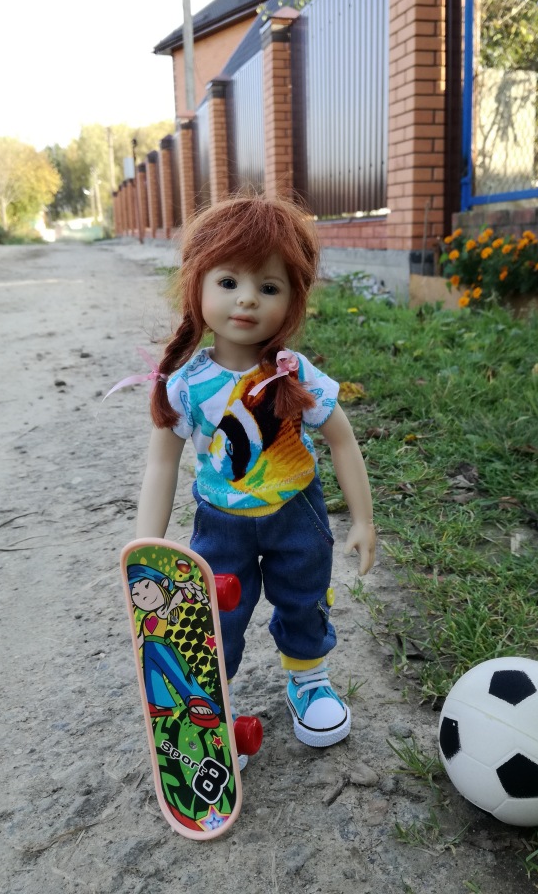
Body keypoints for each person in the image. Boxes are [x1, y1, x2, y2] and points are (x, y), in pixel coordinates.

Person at [134, 195, 375, 749]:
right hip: (222, 523)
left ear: (292, 300)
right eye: (228, 281)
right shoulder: (185, 385)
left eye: (269, 287)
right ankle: (212, 701)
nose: (246, 299)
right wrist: (146, 549)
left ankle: (308, 680)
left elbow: (341, 438)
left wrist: (363, 519)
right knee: (215, 616)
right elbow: (161, 462)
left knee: (305, 598)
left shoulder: (293, 373)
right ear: (196, 285)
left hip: (296, 513)